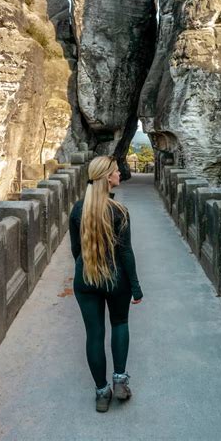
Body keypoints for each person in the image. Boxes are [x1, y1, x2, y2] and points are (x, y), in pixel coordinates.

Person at [69, 155, 143, 412]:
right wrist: (135, 286)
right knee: (120, 323)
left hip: (86, 279)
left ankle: (102, 393)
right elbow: (126, 253)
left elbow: (76, 250)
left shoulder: (79, 209)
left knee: (94, 334)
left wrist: (85, 271)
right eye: (116, 171)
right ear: (107, 178)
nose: (120, 174)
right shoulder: (119, 211)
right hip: (116, 279)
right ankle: (120, 380)